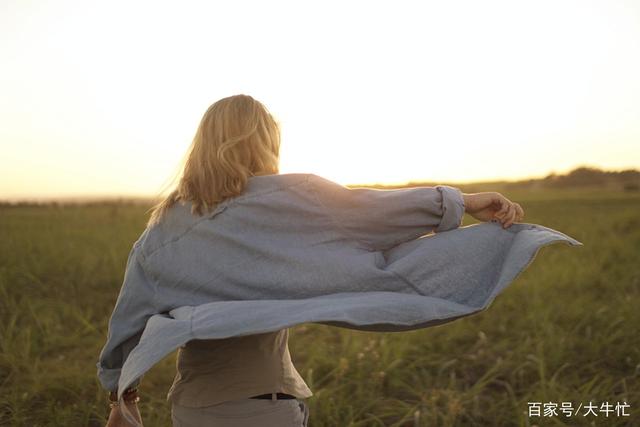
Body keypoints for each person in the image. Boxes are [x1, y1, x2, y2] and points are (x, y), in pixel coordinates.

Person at [99, 94, 540, 427]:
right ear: (265, 142)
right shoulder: (293, 198)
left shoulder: (160, 233)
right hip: (264, 409)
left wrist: (122, 398)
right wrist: (460, 202)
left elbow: (127, 326)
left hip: (192, 408)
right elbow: (373, 211)